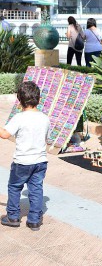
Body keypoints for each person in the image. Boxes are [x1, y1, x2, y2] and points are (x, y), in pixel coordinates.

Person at [0, 81, 50, 231]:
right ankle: (34, 220)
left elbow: (4, 134)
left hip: (22, 161)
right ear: (39, 99)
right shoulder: (45, 118)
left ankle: (13, 217)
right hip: (40, 161)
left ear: (19, 101)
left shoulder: (19, 118)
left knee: (15, 187)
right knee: (36, 189)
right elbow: (46, 139)